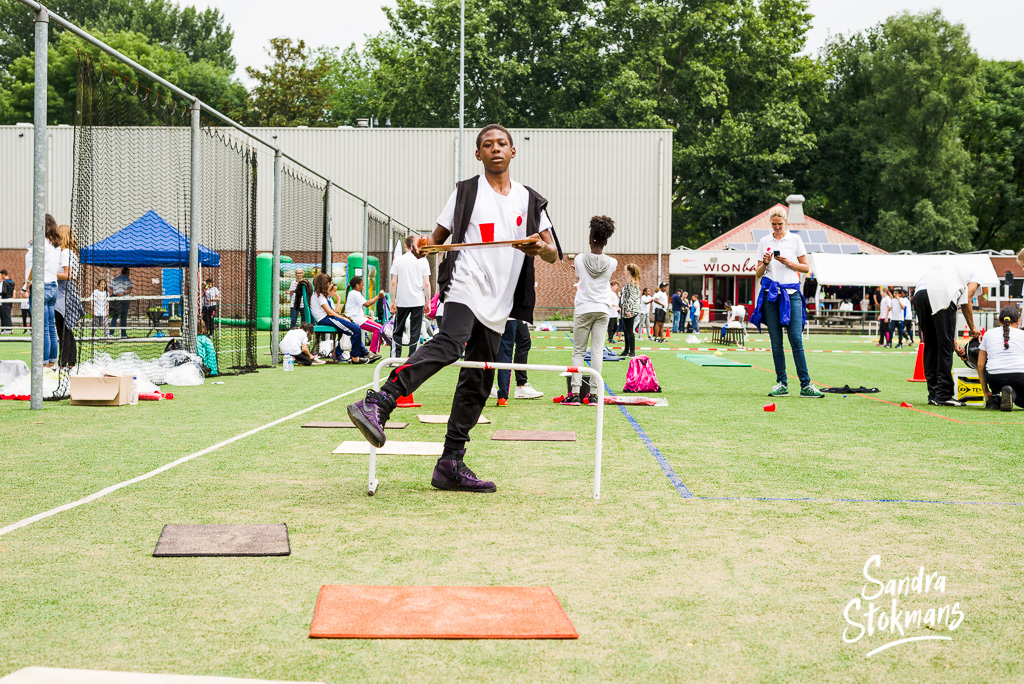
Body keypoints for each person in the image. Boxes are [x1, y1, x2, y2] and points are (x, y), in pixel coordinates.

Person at [347, 123, 561, 493]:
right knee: (450, 342)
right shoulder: (466, 192)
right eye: (487, 145)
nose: (496, 149)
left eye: (502, 144)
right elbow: (435, 241)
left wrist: (538, 249)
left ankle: (450, 463)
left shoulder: (530, 200)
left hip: (500, 300)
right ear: (478, 154)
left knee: (479, 380)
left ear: (513, 152)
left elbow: (555, 252)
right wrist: (419, 243)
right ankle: (380, 401)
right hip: (465, 284)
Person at [749, 207, 825, 398]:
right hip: (771, 295)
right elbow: (757, 274)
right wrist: (766, 263)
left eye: (779, 224)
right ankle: (781, 383)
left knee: (796, 339)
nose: (776, 228)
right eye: (773, 224)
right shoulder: (764, 241)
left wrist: (788, 263)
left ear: (785, 222)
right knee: (776, 342)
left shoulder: (795, 239)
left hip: (791, 294)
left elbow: (806, 267)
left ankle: (805, 384)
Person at [914, 262, 982, 406]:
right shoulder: (976, 273)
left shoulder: (955, 270)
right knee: (944, 349)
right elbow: (966, 301)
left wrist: (953, 341)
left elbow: (951, 315)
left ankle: (933, 394)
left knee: (931, 345)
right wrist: (973, 328)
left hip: (919, 293)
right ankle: (943, 395)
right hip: (940, 293)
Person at [565, 215, 616, 404]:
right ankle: (594, 393)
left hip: (584, 307)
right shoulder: (612, 262)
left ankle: (576, 392)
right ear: (606, 240)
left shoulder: (579, 259)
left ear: (591, 238)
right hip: (603, 308)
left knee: (578, 351)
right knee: (597, 351)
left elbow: (581, 276)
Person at [310, 273, 372, 364]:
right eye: (330, 283)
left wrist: (343, 317)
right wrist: (343, 319)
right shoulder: (319, 296)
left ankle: (359, 353)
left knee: (354, 329)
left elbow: (331, 311)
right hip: (325, 319)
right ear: (325, 284)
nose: (331, 285)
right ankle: (356, 357)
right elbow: (330, 312)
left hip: (327, 318)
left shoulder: (320, 295)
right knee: (355, 329)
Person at [26, 214, 62, 367]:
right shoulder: (56, 245)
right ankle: (51, 362)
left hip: (41, 285)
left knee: (43, 328)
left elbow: (34, 263)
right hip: (53, 285)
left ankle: (43, 363)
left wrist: (28, 282)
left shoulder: (41, 243)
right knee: (50, 327)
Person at [390, 236, 432, 357]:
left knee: (398, 330)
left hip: (402, 300)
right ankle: (412, 357)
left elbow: (393, 282)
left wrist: (393, 301)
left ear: (405, 245)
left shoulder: (398, 260)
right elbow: (427, 283)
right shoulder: (423, 260)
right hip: (417, 300)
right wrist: (428, 301)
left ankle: (394, 358)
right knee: (415, 330)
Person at [978, 306, 1024, 411]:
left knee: (989, 366)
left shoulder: (988, 334)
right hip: (1020, 377)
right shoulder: (1023, 334)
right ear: (1017, 321)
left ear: (999, 320)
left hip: (995, 378)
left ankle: (995, 398)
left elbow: (980, 365)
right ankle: (1013, 395)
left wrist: (985, 391)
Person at [493, 318, 543, 405]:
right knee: (500, 347)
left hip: (515, 313)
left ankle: (520, 385)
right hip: (503, 312)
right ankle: (491, 388)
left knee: (523, 341)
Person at [55, 224, 83, 368]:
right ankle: (71, 362)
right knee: (67, 330)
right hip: (65, 293)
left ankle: (63, 363)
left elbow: (68, 275)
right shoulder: (70, 253)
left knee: (63, 331)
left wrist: (49, 274)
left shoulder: (65, 253)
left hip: (64, 294)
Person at [344, 276, 386, 358]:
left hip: (356, 318)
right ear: (357, 285)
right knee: (379, 328)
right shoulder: (355, 293)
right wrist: (378, 296)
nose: (363, 287)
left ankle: (371, 352)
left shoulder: (352, 293)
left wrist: (364, 316)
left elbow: (353, 308)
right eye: (362, 285)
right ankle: (373, 352)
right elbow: (367, 304)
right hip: (357, 319)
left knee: (379, 328)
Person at [619, 264, 641, 357]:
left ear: (628, 271)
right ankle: (626, 350)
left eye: (625, 270)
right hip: (627, 308)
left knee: (629, 331)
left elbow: (630, 297)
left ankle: (631, 351)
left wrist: (628, 309)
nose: (624, 271)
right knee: (626, 330)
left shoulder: (631, 283)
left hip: (629, 309)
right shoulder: (633, 282)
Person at [109, 267, 133, 338]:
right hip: (124, 300)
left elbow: (110, 288)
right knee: (123, 317)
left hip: (116, 299)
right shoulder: (128, 280)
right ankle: (123, 334)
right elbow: (129, 289)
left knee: (114, 317)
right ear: (126, 273)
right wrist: (122, 293)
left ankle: (111, 333)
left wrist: (114, 294)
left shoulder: (115, 279)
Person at [0, 269, 13, 333]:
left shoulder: (5, 282)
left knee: (5, 314)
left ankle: (8, 329)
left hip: (5, 300)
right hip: (10, 299)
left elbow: (4, 291)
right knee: (6, 314)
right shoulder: (11, 281)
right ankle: (5, 329)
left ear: (3, 275)